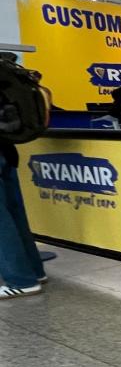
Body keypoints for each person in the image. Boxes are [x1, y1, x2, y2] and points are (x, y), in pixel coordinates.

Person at [0, 94, 45, 299]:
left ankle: (20, 280)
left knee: (3, 220)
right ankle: (34, 271)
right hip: (6, 150)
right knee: (14, 213)